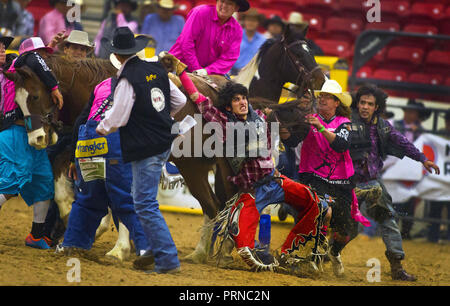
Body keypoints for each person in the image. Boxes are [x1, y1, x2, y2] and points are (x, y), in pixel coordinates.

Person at [160, 52, 330, 275]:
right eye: (236, 100)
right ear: (228, 107)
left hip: (276, 181)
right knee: (245, 248)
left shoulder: (258, 115)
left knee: (322, 209)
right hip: (251, 193)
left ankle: (291, 251)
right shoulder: (220, 121)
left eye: (244, 98)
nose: (242, 102)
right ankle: (260, 251)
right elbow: (197, 98)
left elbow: (281, 120)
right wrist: (182, 72)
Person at [95, 27, 186, 274]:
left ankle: (166, 258)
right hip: (162, 141)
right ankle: (155, 250)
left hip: (143, 146)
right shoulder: (157, 69)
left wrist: (101, 128)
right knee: (142, 199)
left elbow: (119, 117)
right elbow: (180, 101)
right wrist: (158, 118)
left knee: (144, 203)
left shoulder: (127, 78)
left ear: (117, 54)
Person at [56, 55, 152, 256]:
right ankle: (146, 248)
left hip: (87, 144)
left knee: (88, 199)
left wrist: (74, 158)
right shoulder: (141, 87)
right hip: (113, 144)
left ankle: (72, 244)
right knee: (126, 198)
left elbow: (81, 120)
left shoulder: (102, 85)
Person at [349, 84, 440, 281]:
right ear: (357, 104)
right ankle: (321, 255)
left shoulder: (382, 126)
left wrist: (423, 158)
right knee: (344, 225)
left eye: (369, 104)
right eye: (362, 102)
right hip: (347, 184)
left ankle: (397, 267)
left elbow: (402, 142)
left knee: (388, 221)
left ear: (376, 107)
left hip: (372, 182)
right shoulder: (346, 121)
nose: (365, 107)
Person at [293, 79, 370, 277]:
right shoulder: (308, 119)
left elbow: (341, 145)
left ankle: (334, 252)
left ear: (337, 103)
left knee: (348, 230)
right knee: (323, 212)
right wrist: (286, 131)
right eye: (321, 96)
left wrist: (320, 127)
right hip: (313, 177)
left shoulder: (345, 124)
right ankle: (315, 258)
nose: (323, 100)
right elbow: (293, 139)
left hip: (341, 181)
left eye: (328, 97)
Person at [0, 37, 63, 249]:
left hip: (27, 131)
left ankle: (36, 236)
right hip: (13, 132)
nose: (45, 58)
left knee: (43, 182)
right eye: (41, 53)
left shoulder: (19, 72)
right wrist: (54, 87)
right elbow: (32, 58)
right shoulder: (21, 67)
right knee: (10, 183)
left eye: (2, 47)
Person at [169, 0, 249, 76]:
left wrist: (206, 71)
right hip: (177, 66)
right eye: (222, 1)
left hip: (208, 74)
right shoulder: (200, 12)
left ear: (236, 8)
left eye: (229, 3)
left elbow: (229, 58)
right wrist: (196, 69)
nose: (224, 6)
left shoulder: (236, 30)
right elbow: (186, 42)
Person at [391, 98, 431, 240]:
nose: (409, 114)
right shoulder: (394, 125)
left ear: (418, 115)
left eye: (413, 112)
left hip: (413, 169)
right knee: (393, 199)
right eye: (408, 111)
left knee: (409, 201)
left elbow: (427, 146)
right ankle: (391, 230)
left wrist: (418, 132)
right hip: (394, 167)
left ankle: (406, 232)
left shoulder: (422, 131)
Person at [427, 110, 450, 244]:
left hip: (441, 178)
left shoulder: (439, 135)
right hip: (438, 179)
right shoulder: (438, 135)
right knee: (435, 209)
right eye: (448, 121)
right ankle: (432, 237)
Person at [230, 8, 266, 76]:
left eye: (254, 21)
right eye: (248, 20)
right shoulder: (234, 36)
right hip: (233, 74)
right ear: (244, 21)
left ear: (258, 23)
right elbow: (227, 57)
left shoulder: (263, 40)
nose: (250, 23)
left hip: (253, 76)